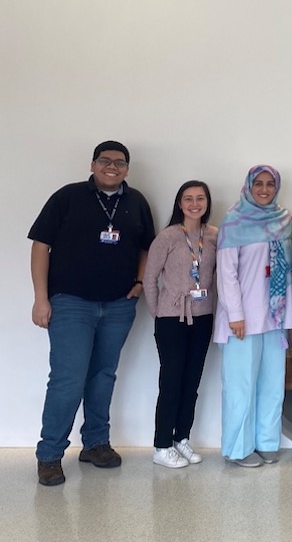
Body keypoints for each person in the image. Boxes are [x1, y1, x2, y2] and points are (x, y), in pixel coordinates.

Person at [30, 141, 155, 486]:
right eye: (105, 161)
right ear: (93, 164)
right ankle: (50, 454)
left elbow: (146, 245)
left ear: (127, 168)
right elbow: (41, 245)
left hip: (118, 305)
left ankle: (96, 443)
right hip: (71, 303)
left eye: (119, 162)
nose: (112, 166)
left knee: (103, 375)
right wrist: (41, 299)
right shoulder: (67, 197)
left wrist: (140, 281)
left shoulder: (137, 202)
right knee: (68, 379)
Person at [213, 165, 292, 468]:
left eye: (270, 184)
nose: (264, 189)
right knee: (240, 385)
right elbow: (226, 274)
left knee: (273, 383)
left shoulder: (283, 220)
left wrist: (288, 315)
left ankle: (266, 441)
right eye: (258, 184)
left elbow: (286, 271)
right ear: (249, 186)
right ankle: (238, 448)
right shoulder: (234, 222)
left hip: (274, 319)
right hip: (242, 321)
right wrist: (235, 314)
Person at [143, 181, 217, 469]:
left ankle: (181, 438)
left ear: (207, 203)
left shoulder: (214, 235)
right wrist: (159, 312)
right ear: (179, 203)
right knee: (171, 382)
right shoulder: (168, 236)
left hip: (203, 317)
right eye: (188, 198)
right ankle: (162, 445)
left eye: (200, 198)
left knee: (192, 382)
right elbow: (150, 278)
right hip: (172, 318)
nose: (194, 203)